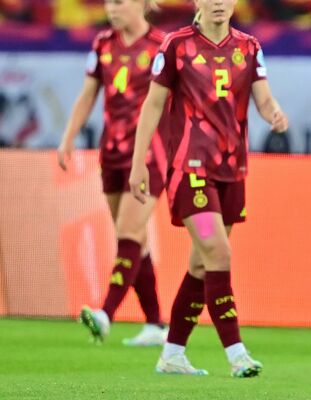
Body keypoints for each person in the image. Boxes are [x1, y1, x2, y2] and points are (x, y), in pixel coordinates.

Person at [128, 0, 288, 377]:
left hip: (232, 171)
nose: (218, 2)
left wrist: (275, 114)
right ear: (197, 2)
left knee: (201, 264)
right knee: (218, 253)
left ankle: (172, 354)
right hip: (190, 171)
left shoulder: (249, 46)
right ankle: (237, 355)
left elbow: (262, 98)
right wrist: (139, 163)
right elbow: (152, 106)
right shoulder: (175, 45)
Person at [58, 0, 167, 347]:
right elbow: (88, 95)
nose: (111, 9)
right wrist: (68, 136)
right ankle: (155, 325)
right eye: (108, 3)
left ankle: (106, 313)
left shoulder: (163, 47)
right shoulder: (103, 43)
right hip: (112, 153)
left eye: (119, 2)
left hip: (152, 154)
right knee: (135, 240)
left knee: (128, 231)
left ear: (141, 5)